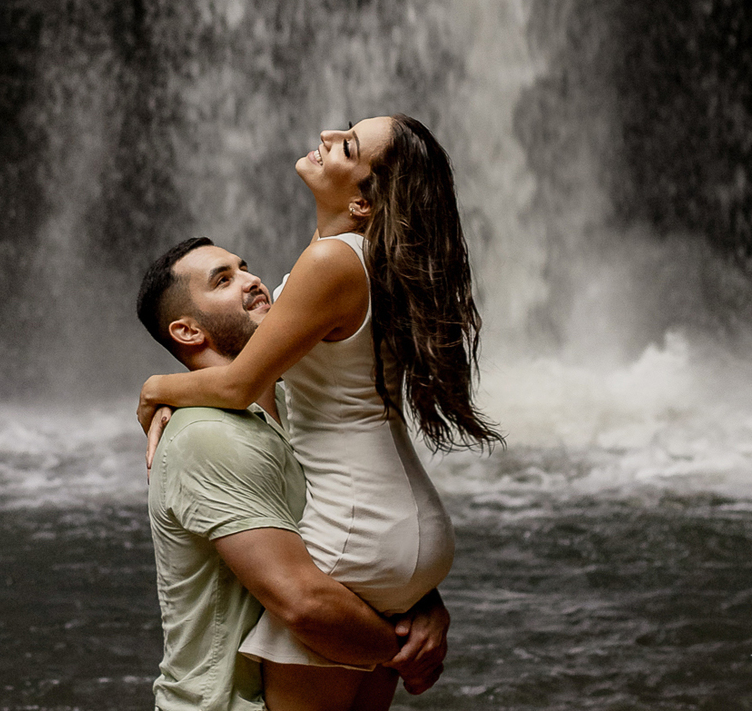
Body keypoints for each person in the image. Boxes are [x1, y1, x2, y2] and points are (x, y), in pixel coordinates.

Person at [138, 115, 499, 711]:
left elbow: (236, 384)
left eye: (348, 146)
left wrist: (156, 388)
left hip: (357, 530)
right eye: (225, 278)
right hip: (402, 525)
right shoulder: (366, 258)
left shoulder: (331, 262)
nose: (329, 135)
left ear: (363, 203)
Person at [136, 237, 450, 711]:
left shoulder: (295, 403)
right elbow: (303, 604)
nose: (252, 280)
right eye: (223, 280)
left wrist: (422, 602)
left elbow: (357, 529)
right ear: (187, 331)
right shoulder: (207, 435)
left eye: (245, 267)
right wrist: (406, 648)